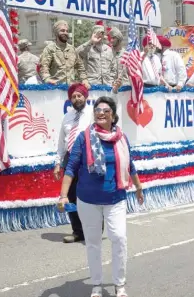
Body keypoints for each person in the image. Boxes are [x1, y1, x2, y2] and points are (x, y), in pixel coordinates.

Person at [57, 96, 145, 297]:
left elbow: (130, 165)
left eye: (106, 110)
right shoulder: (84, 137)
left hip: (116, 198)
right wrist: (63, 195)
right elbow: (71, 167)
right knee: (93, 242)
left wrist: (138, 187)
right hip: (88, 200)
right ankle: (96, 285)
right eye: (97, 109)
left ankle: (119, 285)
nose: (101, 113)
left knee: (119, 237)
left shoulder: (122, 138)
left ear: (113, 116)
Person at [53, 83, 94, 243]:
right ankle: (77, 232)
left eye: (79, 96)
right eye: (73, 97)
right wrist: (58, 163)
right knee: (71, 195)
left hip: (88, 159)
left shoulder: (93, 113)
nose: (77, 99)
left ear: (85, 97)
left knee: (90, 195)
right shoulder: (67, 117)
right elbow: (61, 143)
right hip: (71, 159)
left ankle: (94, 229)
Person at [39, 20, 89, 87]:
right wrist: (47, 79)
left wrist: (84, 80)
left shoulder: (72, 49)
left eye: (67, 31)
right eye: (62, 31)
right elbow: (43, 67)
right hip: (55, 88)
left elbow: (80, 67)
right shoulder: (50, 49)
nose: (65, 33)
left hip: (70, 88)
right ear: (56, 33)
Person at [108, 27, 129, 93]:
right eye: (111, 38)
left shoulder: (127, 55)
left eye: (113, 38)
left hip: (124, 89)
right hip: (110, 87)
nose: (111, 40)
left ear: (119, 39)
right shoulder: (107, 53)